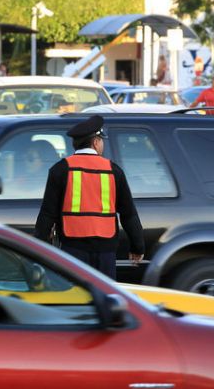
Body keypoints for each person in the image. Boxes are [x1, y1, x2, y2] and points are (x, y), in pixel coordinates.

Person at [34, 115, 145, 279]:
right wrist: (137, 247)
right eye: (102, 140)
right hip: (106, 252)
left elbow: (47, 214)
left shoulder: (60, 169)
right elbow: (129, 213)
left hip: (72, 249)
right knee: (105, 296)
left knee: (75, 295)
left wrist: (40, 249)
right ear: (95, 142)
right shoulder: (114, 171)